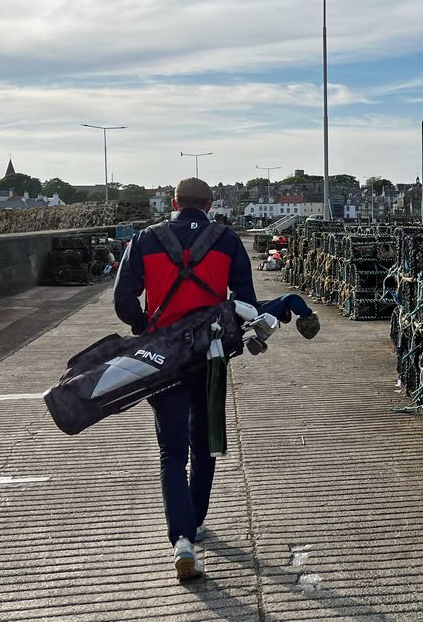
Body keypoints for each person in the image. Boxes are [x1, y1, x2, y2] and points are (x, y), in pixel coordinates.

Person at [113, 177, 257, 582]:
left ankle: (181, 541)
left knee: (172, 450)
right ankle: (193, 522)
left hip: (163, 355)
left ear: (174, 202)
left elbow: (123, 300)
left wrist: (146, 326)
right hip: (210, 355)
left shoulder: (145, 239)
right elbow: (245, 303)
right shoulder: (227, 240)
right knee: (206, 442)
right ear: (209, 205)